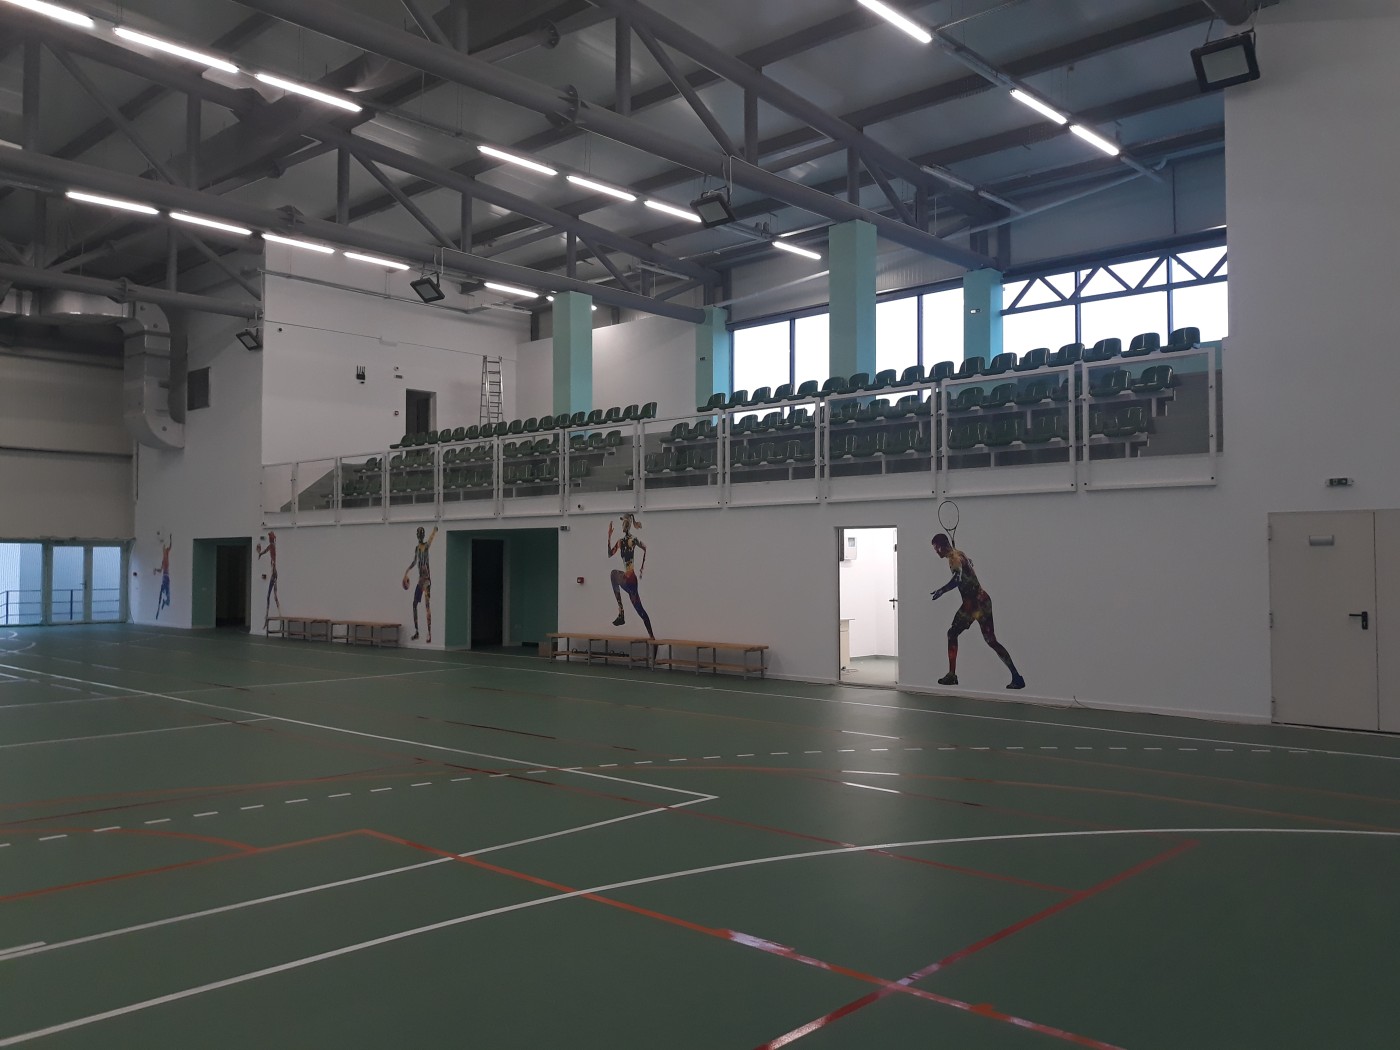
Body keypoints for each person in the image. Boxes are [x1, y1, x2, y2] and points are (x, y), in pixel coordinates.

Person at [930, 532, 1024, 690]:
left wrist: (941, 590)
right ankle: (1017, 677)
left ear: (941, 546)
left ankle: (952, 676)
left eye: (935, 548)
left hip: (972, 604)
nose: (935, 551)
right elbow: (969, 564)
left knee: (952, 634)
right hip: (983, 600)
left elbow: (957, 579)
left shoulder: (954, 558)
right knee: (991, 641)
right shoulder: (959, 554)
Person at [608, 512, 654, 638]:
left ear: (624, 524)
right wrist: (642, 567)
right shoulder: (633, 540)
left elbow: (609, 554)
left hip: (629, 581)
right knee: (640, 610)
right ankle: (651, 636)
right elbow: (645, 548)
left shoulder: (622, 542)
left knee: (640, 610)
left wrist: (609, 537)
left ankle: (621, 613)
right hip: (630, 579)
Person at [403, 525, 438, 642]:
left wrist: (434, 531)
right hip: (420, 581)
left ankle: (429, 633)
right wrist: (407, 571)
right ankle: (417, 631)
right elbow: (414, 561)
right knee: (414, 604)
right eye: (419, 534)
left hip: (426, 580)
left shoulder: (426, 546)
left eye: (421, 534)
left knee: (427, 605)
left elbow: (431, 540)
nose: (420, 536)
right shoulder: (417, 548)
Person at [256, 531, 281, 627]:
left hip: (274, 573)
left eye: (270, 538)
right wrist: (260, 553)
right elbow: (266, 551)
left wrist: (260, 553)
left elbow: (266, 551)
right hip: (274, 573)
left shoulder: (272, 546)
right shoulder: (272, 546)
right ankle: (279, 616)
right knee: (274, 596)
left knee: (269, 596)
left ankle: (267, 618)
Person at [154, 532, 173, 619]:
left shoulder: (166, 555)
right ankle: (159, 607)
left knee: (166, 598)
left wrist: (170, 538)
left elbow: (170, 546)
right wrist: (156, 569)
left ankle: (164, 602)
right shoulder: (164, 560)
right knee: (162, 592)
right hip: (165, 578)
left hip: (166, 578)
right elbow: (160, 570)